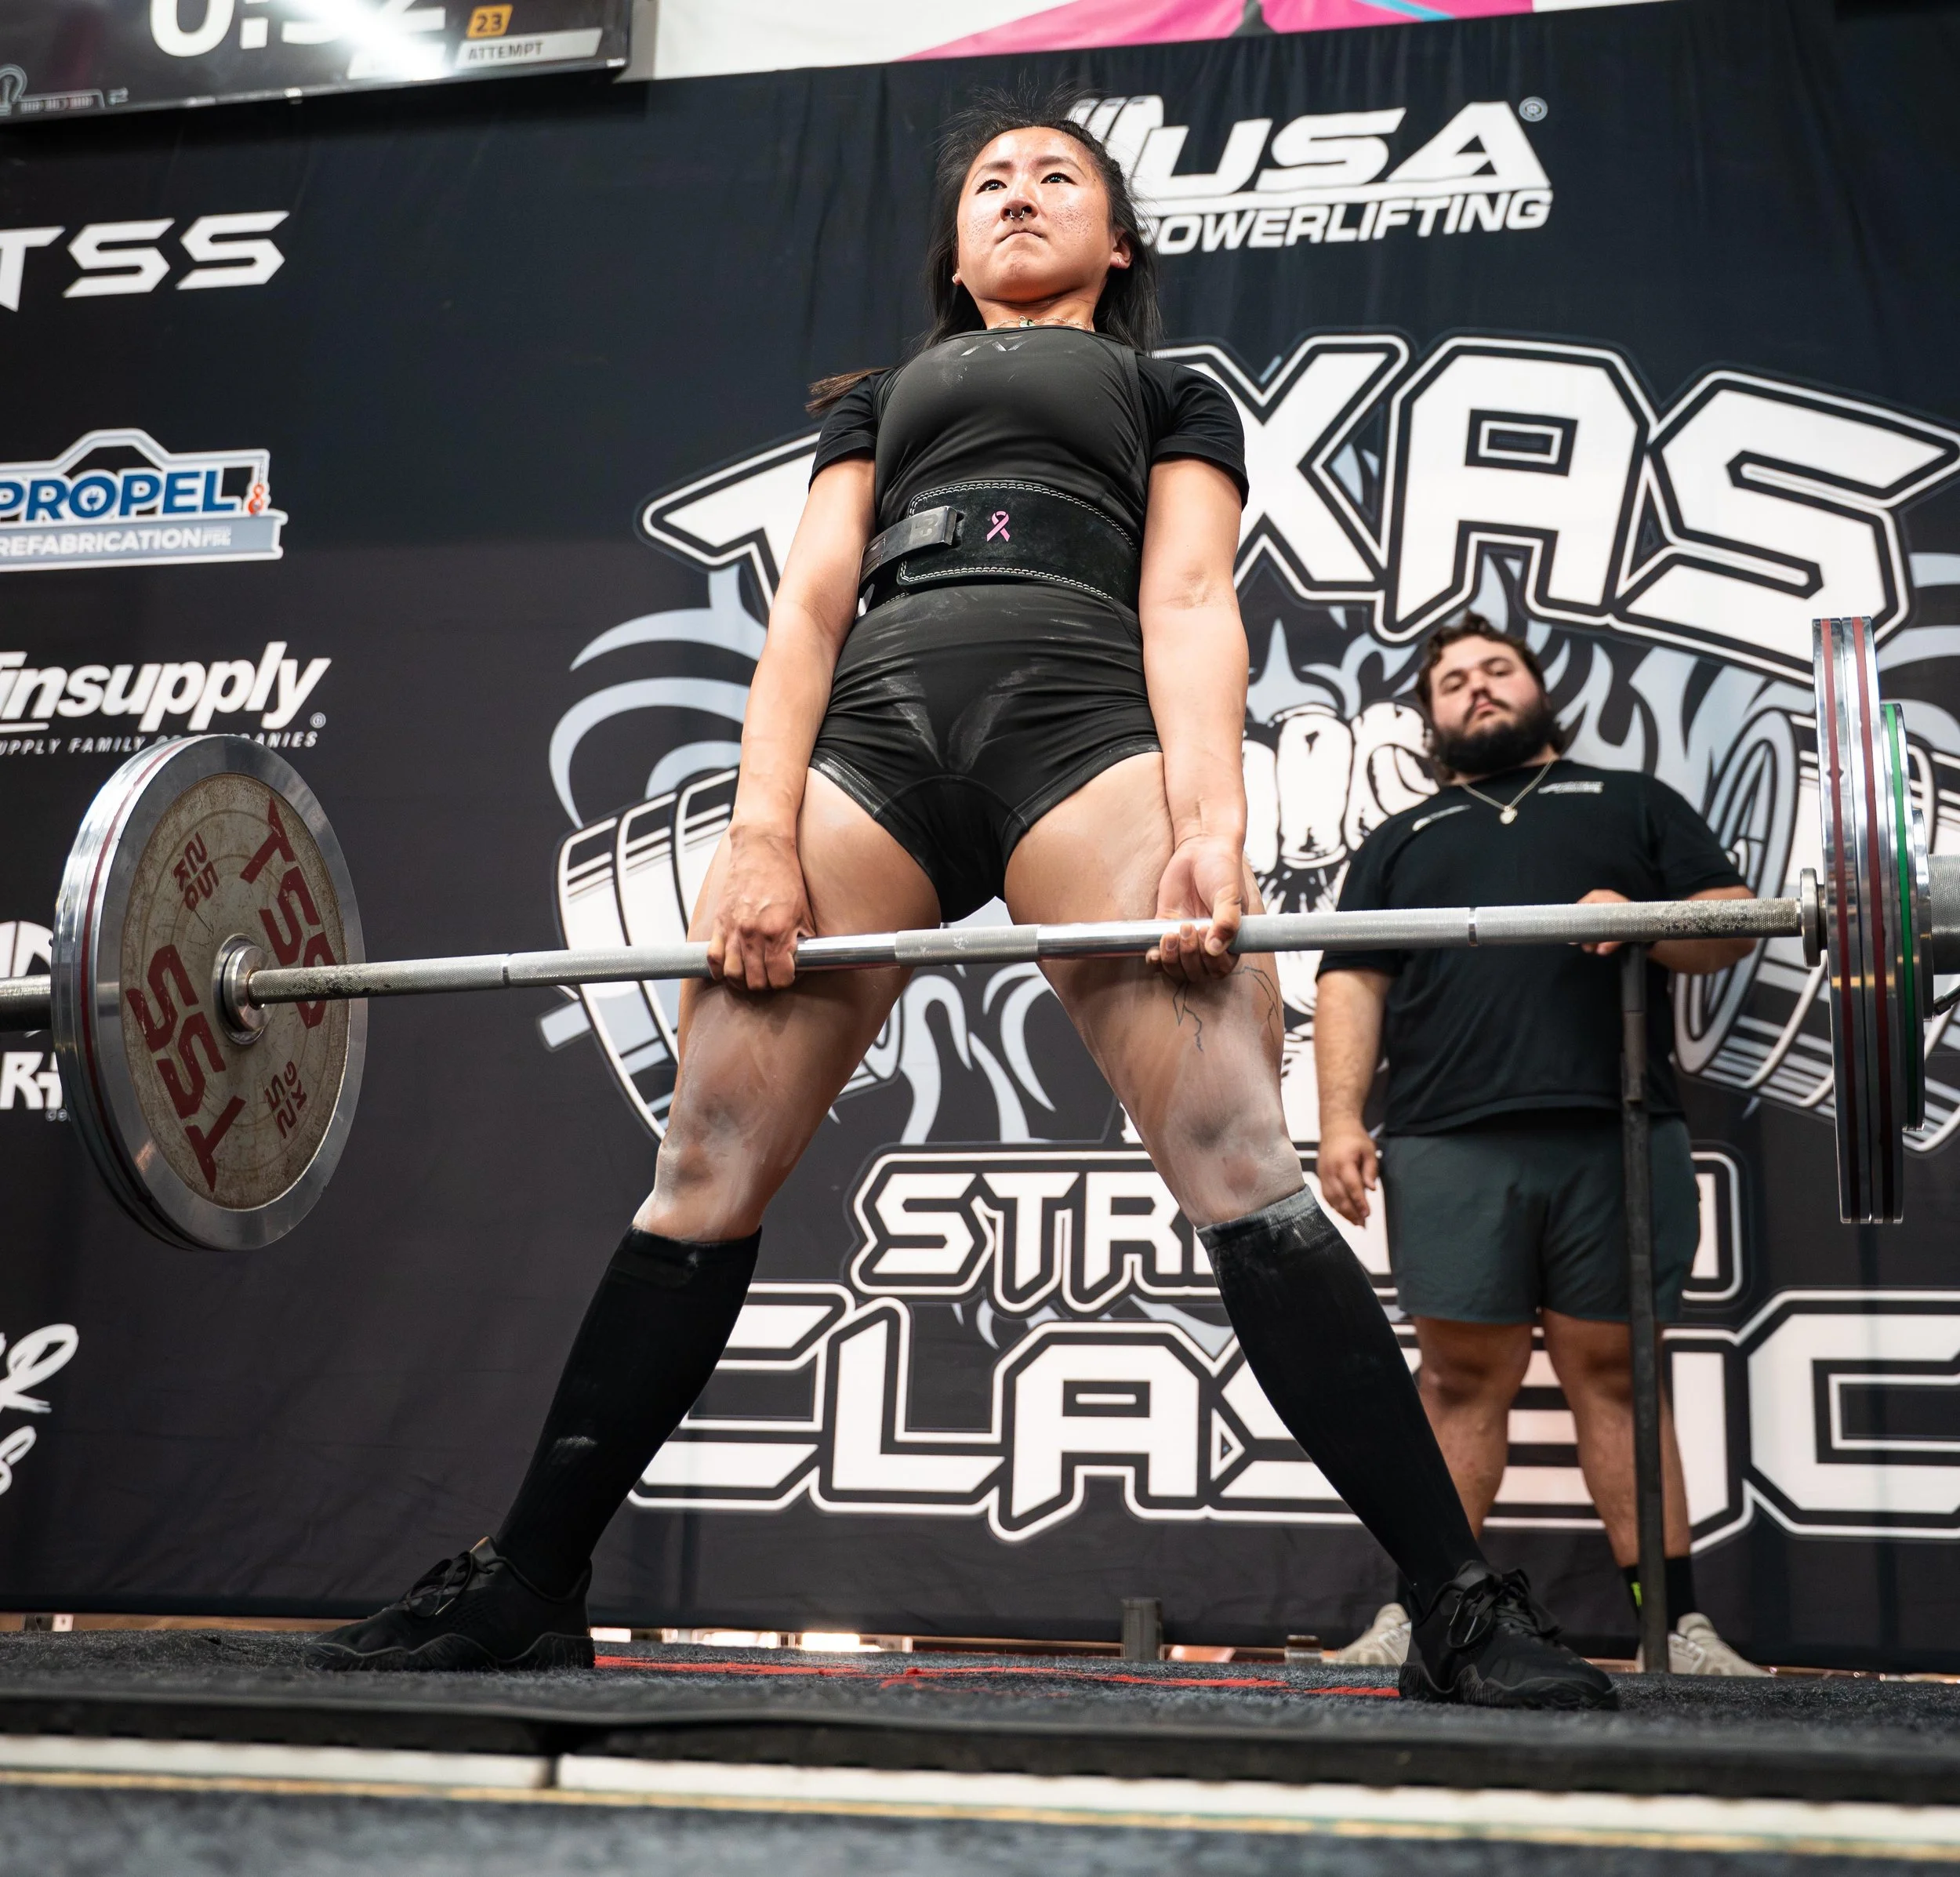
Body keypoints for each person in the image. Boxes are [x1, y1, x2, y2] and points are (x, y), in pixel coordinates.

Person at [308, 90, 1613, 1709]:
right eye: (990, 179)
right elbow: (806, 614)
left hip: (1083, 736)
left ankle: (1454, 1606)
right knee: (704, 1163)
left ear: (1116, 242)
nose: (1017, 193)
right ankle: (528, 1582)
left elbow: (1190, 599)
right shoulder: (880, 398)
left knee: (1238, 1151)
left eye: (1057, 176)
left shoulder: (1169, 391)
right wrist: (758, 835)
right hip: (875, 745)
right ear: (950, 247)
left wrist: (1213, 827)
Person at [1316, 616, 1766, 1677]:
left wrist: (1645, 915)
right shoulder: (1404, 836)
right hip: (1447, 1138)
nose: (1476, 688)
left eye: (1496, 669)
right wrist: (1338, 1119)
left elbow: (1735, 921)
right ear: (1431, 717)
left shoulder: (1628, 800)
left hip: (1616, 1128)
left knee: (1618, 1374)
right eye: (1453, 680)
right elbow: (1350, 981)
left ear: (1537, 687)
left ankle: (1675, 1629)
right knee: (1458, 1380)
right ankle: (1425, 1615)